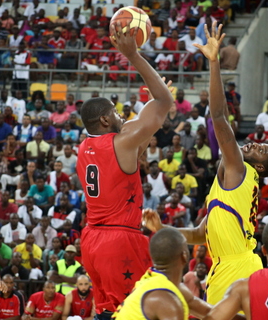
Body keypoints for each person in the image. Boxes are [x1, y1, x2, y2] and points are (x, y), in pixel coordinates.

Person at [144, 22, 268, 306]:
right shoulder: (231, 186)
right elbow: (197, 234)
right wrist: (162, 229)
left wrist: (214, 62)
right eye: (259, 142)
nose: (255, 143)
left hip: (237, 269)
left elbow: (218, 117)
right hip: (231, 267)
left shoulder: (241, 169)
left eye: (262, 150)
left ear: (262, 168)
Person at [75, 23, 176, 318]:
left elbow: (141, 135)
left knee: (107, 310)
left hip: (91, 239)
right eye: (116, 112)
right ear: (105, 120)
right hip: (119, 239)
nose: (122, 115)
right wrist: (133, 56)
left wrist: (153, 97)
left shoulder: (84, 147)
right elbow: (165, 102)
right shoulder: (123, 142)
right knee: (137, 309)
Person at [112, 228, 210, 320]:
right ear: (184, 256)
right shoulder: (165, 300)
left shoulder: (156, 280)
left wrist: (226, 299)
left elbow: (209, 313)